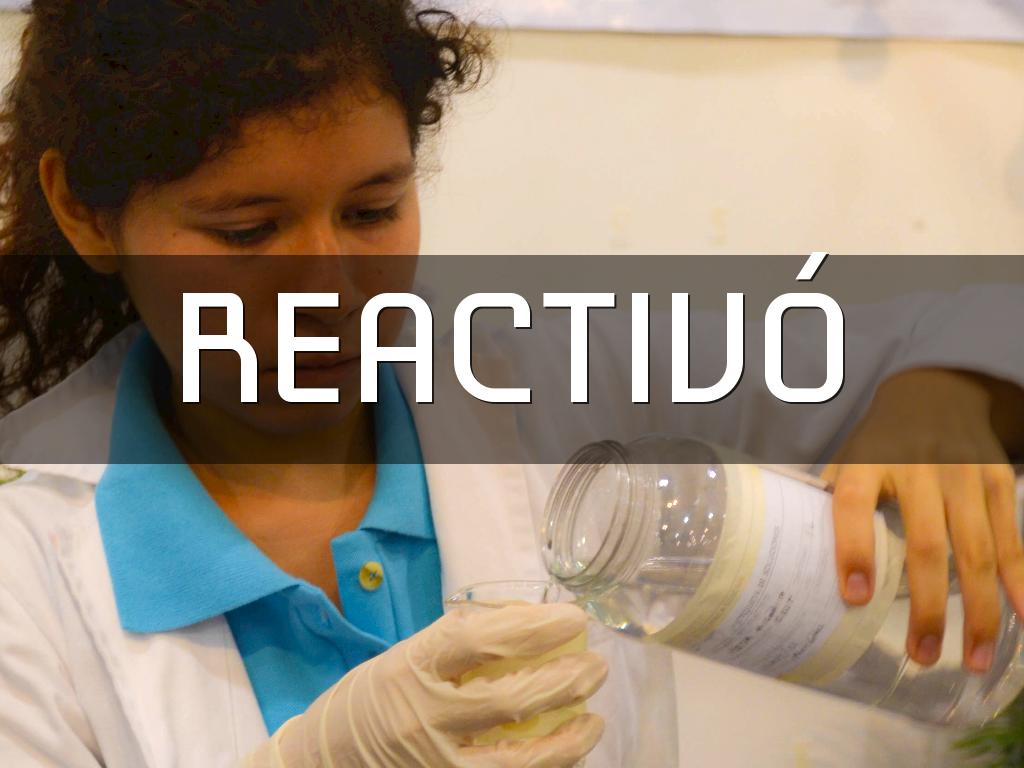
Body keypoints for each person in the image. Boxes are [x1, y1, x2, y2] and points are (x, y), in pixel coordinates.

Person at [0, 2, 1022, 766]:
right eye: (247, 231)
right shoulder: (32, 561)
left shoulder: (549, 379)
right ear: (83, 211)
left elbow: (980, 316)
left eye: (372, 211)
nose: (331, 290)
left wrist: (946, 394)